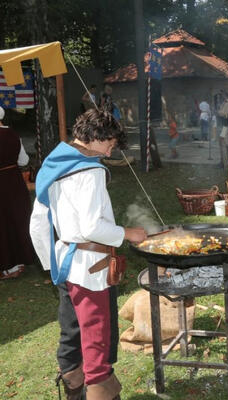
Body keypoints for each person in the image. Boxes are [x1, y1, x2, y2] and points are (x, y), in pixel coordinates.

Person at [29, 108, 147, 400]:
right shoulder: (90, 170)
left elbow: (37, 222)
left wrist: (51, 264)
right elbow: (92, 226)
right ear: (96, 137)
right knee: (97, 338)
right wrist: (127, 233)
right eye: (110, 143)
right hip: (89, 268)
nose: (111, 149)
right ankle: (98, 392)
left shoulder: (55, 163)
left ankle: (73, 388)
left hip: (65, 263)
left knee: (72, 330)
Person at [0, 106, 35, 280]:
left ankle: (8, 266)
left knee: (3, 223)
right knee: (17, 219)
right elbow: (24, 160)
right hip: (14, 182)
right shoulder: (13, 134)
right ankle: (20, 261)